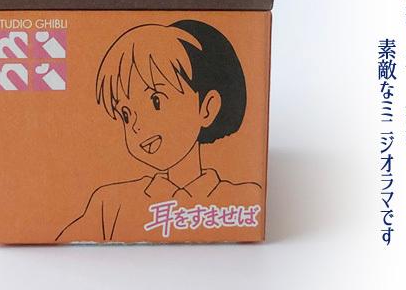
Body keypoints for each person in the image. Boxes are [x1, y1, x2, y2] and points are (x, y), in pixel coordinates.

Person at [56, 20, 261, 242]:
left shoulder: (243, 198)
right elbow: (61, 242)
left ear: (207, 108)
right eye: (126, 114)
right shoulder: (110, 204)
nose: (136, 125)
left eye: (156, 101)